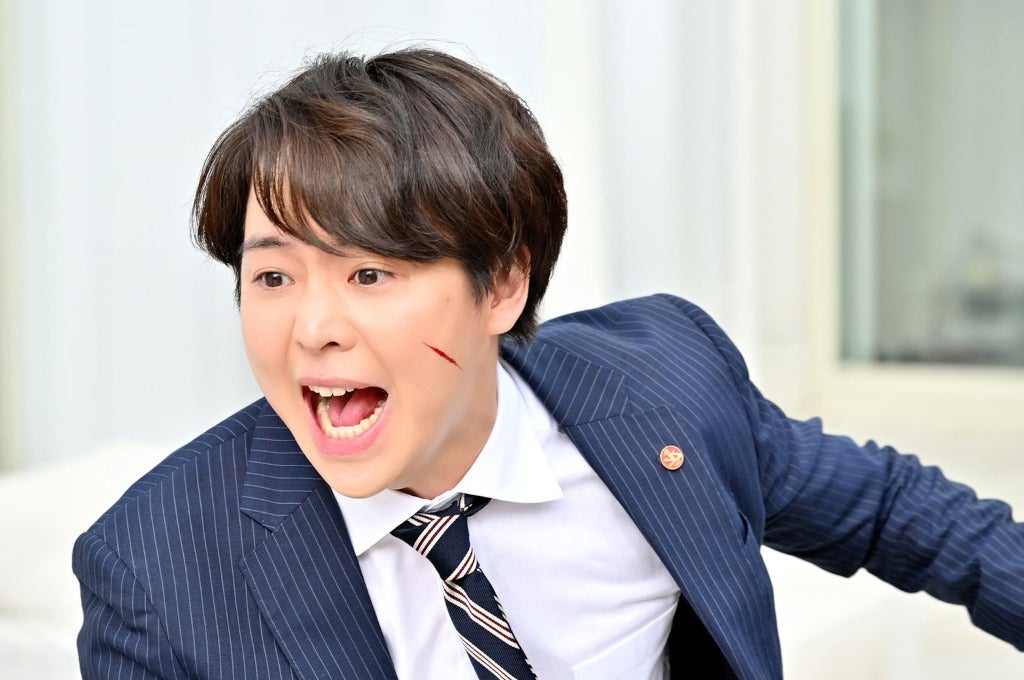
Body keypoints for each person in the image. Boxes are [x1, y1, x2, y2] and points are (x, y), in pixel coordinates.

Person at [73, 47, 1023, 680]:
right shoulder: (153, 569)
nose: (312, 328)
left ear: (502, 285)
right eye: (273, 277)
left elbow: (900, 514)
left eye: (369, 273)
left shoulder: (664, 385)